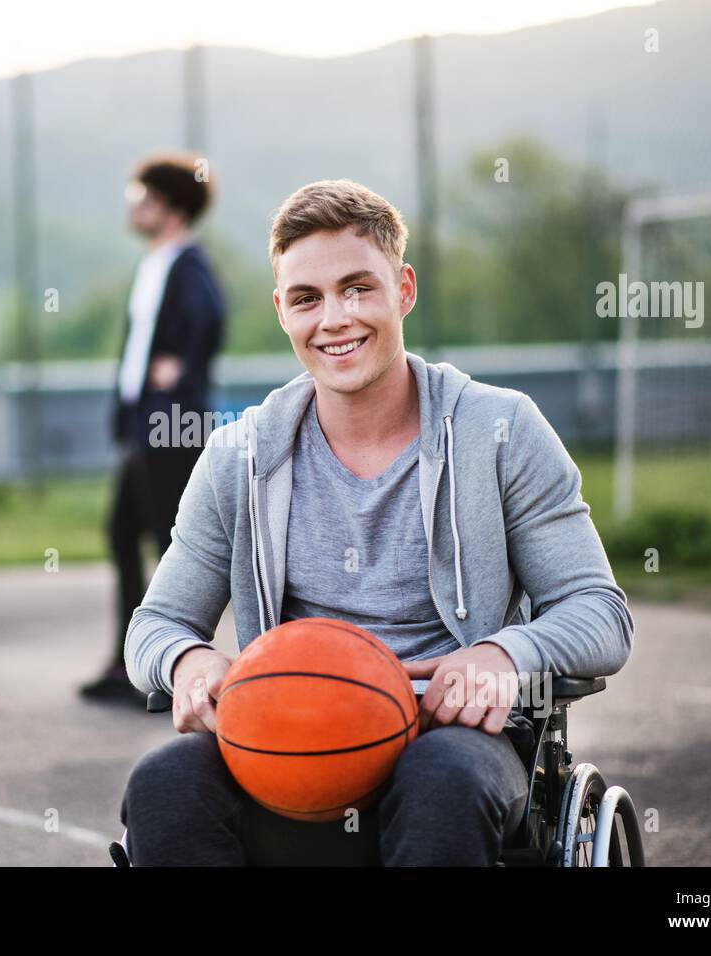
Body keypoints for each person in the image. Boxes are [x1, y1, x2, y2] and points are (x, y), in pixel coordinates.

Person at [119, 179, 634, 865]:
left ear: (405, 290)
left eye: (359, 288)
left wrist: (505, 654)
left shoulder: (501, 430)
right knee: (163, 783)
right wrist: (187, 661)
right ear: (281, 312)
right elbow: (152, 627)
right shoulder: (238, 457)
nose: (335, 318)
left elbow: (600, 612)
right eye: (307, 298)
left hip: (448, 735)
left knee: (442, 781)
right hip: (292, 734)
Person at [79, 154, 226, 705]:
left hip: (170, 425)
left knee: (172, 545)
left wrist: (180, 372)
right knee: (123, 534)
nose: (133, 206)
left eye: (141, 197)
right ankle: (128, 663)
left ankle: (174, 674)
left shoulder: (188, 264)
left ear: (168, 206)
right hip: (145, 424)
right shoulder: (157, 262)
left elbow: (210, 317)